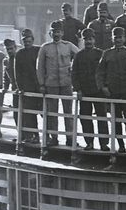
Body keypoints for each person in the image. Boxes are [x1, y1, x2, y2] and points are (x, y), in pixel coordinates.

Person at [36, 23, 78, 151]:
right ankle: (54, 137)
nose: (56, 34)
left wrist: (73, 74)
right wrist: (42, 84)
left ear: (62, 33)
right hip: (51, 84)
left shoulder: (68, 46)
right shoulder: (45, 48)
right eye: (53, 32)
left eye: (58, 31)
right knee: (52, 112)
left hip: (66, 84)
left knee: (68, 112)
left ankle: (70, 137)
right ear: (50, 33)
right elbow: (39, 67)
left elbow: (80, 56)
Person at [97, 27, 126, 152]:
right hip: (112, 93)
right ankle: (121, 145)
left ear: (124, 38)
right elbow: (100, 73)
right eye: (115, 38)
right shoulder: (107, 54)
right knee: (116, 120)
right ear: (112, 39)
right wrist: (103, 87)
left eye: (120, 37)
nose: (118, 40)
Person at [70, 28, 102, 150]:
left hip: (98, 92)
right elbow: (74, 74)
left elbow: (104, 72)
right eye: (86, 39)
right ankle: (89, 142)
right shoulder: (78, 56)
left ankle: (104, 143)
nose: (88, 42)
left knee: (102, 118)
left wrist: (103, 87)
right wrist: (78, 89)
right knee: (85, 118)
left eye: (90, 39)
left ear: (94, 40)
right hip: (84, 92)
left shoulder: (100, 54)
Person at [13, 27, 41, 143]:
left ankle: (49, 136)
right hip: (28, 88)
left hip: (39, 87)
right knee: (30, 114)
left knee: (45, 113)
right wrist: (21, 88)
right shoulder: (19, 54)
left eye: (29, 41)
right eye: (25, 41)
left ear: (33, 40)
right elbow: (17, 73)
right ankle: (35, 135)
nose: (27, 44)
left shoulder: (39, 51)